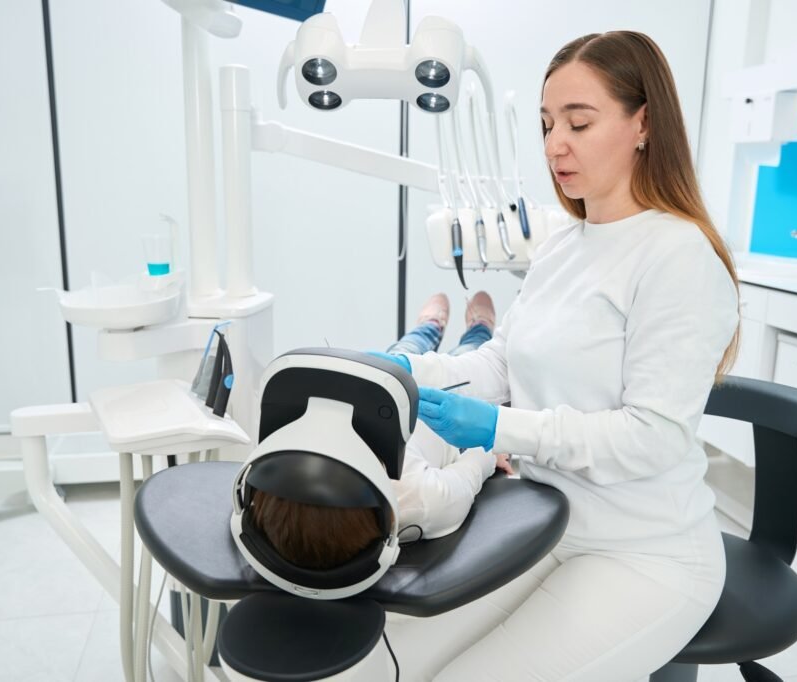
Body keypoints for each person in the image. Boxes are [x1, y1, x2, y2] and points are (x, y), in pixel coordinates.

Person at [378, 31, 742, 681]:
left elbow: (652, 437)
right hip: (544, 522)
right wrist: (402, 372)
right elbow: (501, 364)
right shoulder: (561, 246)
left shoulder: (678, 256)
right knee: (384, 664)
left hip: (644, 552)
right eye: (547, 125)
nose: (555, 145)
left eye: (579, 122)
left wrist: (498, 428)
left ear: (643, 124)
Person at [248, 292, 513, 569]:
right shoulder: (425, 500)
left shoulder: (281, 448)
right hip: (441, 413)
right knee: (466, 357)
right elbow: (475, 464)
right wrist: (491, 450)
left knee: (405, 351)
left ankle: (430, 326)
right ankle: (479, 328)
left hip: (381, 387)